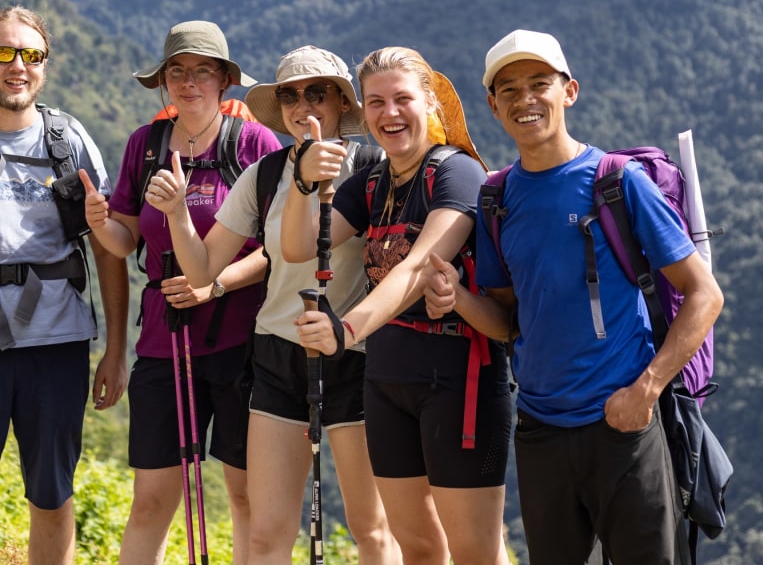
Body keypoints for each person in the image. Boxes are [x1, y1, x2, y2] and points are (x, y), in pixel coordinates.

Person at [423, 29, 725, 565]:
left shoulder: (617, 182)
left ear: (569, 91)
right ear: (493, 106)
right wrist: (459, 299)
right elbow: (509, 319)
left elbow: (705, 294)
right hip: (540, 431)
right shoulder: (496, 197)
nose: (525, 99)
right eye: (509, 90)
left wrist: (647, 390)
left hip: (624, 425)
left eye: (539, 84)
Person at [145, 46, 400, 565]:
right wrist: (176, 213)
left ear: (341, 101)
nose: (302, 105)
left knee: (373, 530)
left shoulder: (373, 170)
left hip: (356, 354)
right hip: (276, 356)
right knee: (266, 535)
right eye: (289, 95)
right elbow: (203, 270)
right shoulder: (264, 175)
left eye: (316, 93)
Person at [282, 46, 512, 565]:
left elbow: (419, 267)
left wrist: (344, 331)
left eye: (402, 99)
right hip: (387, 380)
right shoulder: (371, 183)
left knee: (475, 552)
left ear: (430, 102)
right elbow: (296, 247)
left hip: (458, 380)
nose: (389, 113)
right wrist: (302, 179)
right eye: (376, 102)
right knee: (419, 549)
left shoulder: (457, 174)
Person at [81, 20, 282, 565]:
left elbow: (280, 249)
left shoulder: (254, 144)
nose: (188, 82)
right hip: (163, 343)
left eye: (202, 71)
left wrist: (215, 283)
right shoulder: (144, 146)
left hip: (242, 343)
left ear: (224, 80)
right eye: (177, 71)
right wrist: (99, 223)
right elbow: (125, 239)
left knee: (246, 496)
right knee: (150, 501)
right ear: (163, 79)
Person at [0, 4, 128, 565]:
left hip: (55, 343)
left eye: (31, 54)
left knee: (52, 495)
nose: (18, 65)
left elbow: (105, 245)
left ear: (45, 64)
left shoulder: (66, 140)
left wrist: (116, 351)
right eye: (5, 52)